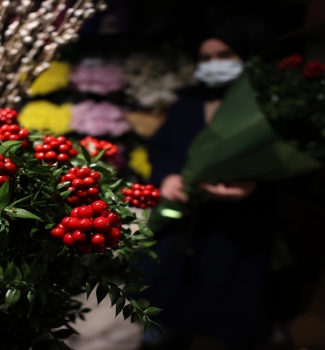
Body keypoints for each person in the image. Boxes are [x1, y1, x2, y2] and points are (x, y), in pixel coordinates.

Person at [139, 31, 277, 349]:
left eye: (224, 55)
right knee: (166, 282)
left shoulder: (260, 107)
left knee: (219, 291)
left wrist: (252, 189)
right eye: (205, 58)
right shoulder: (186, 105)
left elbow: (279, 163)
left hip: (236, 224)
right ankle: (160, 330)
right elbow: (159, 147)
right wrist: (167, 177)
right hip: (181, 215)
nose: (214, 64)